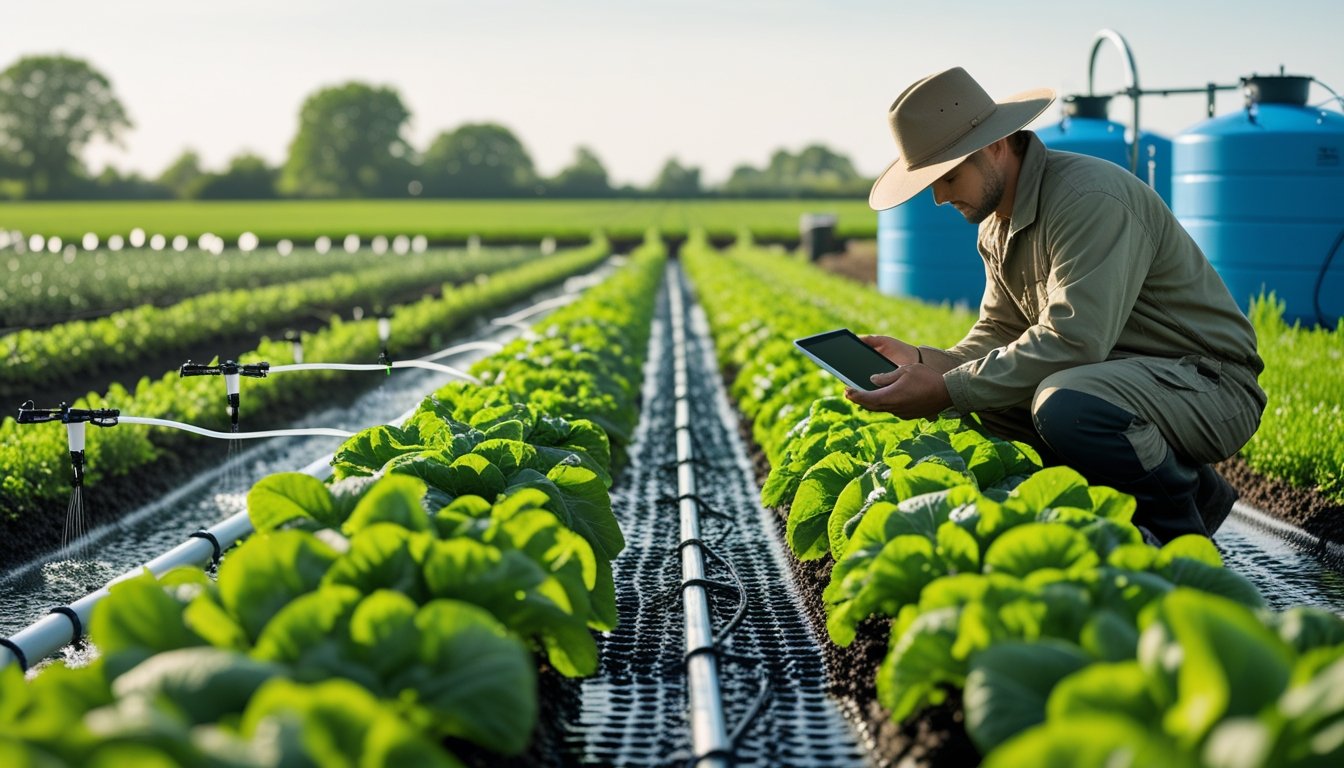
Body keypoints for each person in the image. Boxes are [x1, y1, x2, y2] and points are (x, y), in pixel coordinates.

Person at [846, 66, 1266, 544]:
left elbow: (1074, 340)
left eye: (949, 177)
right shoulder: (997, 225)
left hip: (1209, 384)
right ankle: (1188, 491)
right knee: (989, 397)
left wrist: (947, 389)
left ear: (994, 145)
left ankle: (1180, 540)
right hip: (1126, 377)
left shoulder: (1088, 199)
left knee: (1062, 403)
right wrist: (923, 363)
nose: (940, 197)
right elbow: (999, 333)